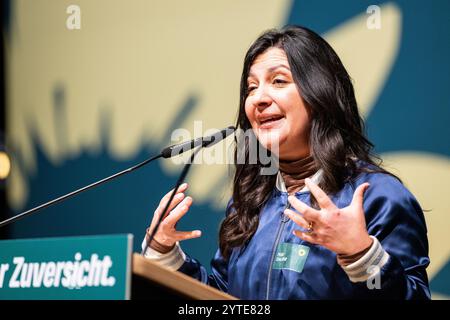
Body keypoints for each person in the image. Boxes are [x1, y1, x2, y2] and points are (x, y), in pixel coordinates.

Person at [141, 25, 430, 299]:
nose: (258, 98)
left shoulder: (377, 197)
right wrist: (164, 251)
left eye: (278, 81)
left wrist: (361, 254)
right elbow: (226, 298)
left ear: (321, 93)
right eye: (251, 87)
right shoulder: (251, 202)